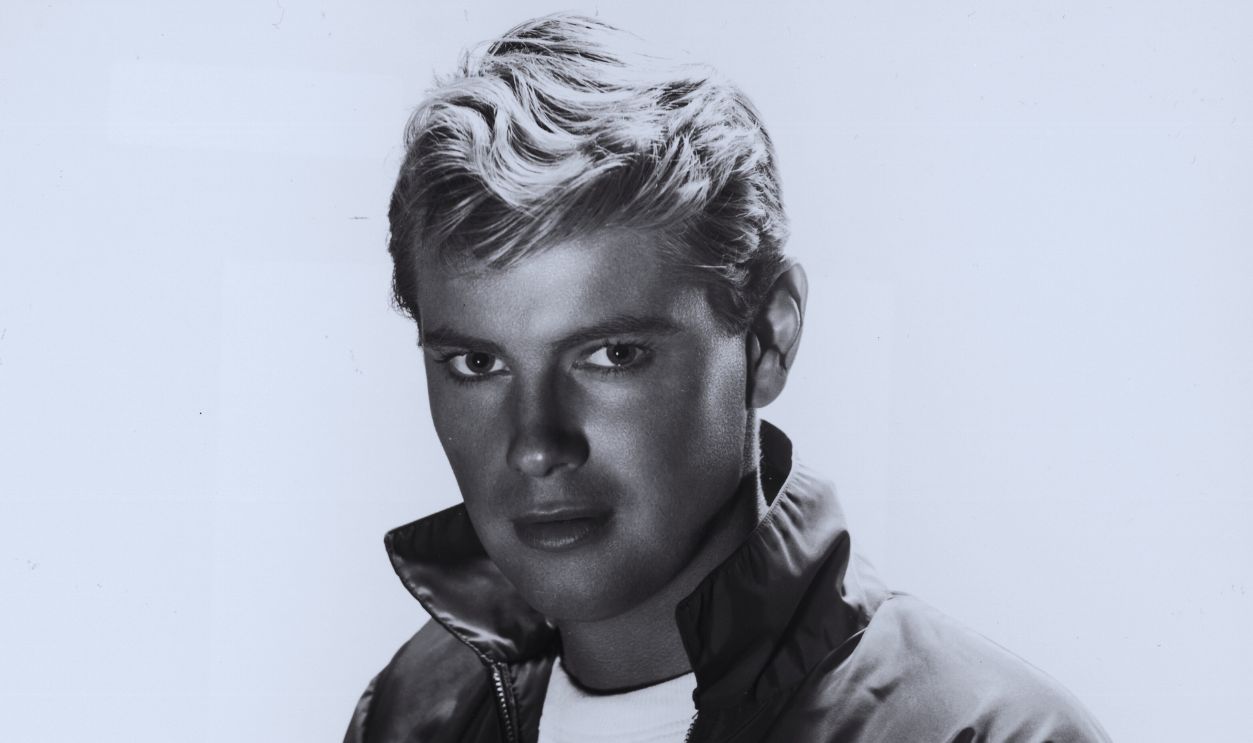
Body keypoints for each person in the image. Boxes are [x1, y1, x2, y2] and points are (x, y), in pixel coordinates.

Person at [344, 13, 1110, 743]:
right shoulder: (413, 711)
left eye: (612, 354)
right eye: (478, 363)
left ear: (769, 339)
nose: (537, 446)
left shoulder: (989, 733)